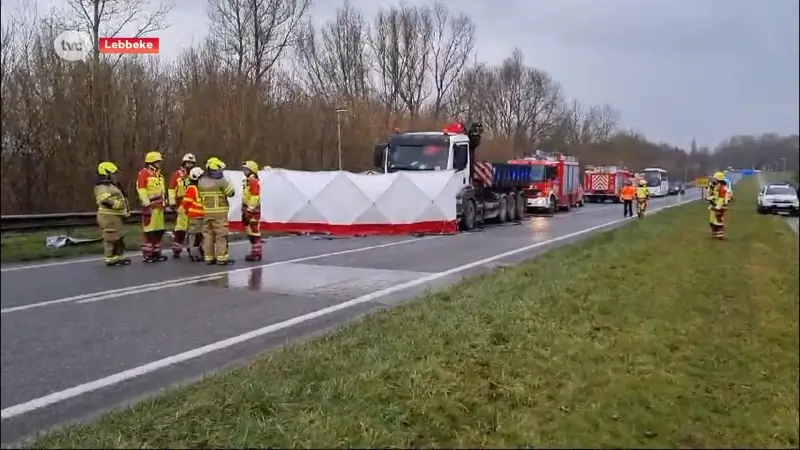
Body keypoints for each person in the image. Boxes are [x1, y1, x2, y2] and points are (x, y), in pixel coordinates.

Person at [198, 157, 236, 265]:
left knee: (208, 235)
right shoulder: (221, 182)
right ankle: (221, 258)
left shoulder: (201, 182)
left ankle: (209, 257)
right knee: (221, 235)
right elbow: (231, 193)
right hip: (220, 214)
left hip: (205, 213)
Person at [94, 162, 131, 266]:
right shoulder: (102, 186)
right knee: (111, 237)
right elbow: (103, 200)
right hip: (108, 216)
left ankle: (118, 257)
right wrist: (117, 205)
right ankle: (110, 258)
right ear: (106, 173)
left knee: (118, 237)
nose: (115, 176)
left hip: (115, 216)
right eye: (112, 173)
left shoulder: (111, 185)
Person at [136, 151, 168, 262]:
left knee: (159, 231)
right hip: (150, 207)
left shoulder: (159, 175)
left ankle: (156, 253)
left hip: (159, 207)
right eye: (157, 161)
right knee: (149, 232)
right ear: (151, 162)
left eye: (159, 161)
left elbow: (162, 191)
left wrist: (165, 202)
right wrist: (146, 203)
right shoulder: (144, 173)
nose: (159, 163)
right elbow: (141, 189)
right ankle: (148, 254)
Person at [168, 153, 197, 258]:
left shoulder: (195, 174)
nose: (189, 165)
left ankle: (192, 248)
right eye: (188, 162)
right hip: (181, 203)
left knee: (193, 228)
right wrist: (172, 202)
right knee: (181, 227)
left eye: (191, 163)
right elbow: (171, 188)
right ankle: (177, 248)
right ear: (184, 163)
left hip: (193, 204)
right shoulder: (177, 174)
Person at [181, 167, 206, 262]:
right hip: (195, 217)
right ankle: (194, 253)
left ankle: (198, 251)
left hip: (202, 216)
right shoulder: (192, 188)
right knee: (195, 236)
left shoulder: (200, 188)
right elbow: (186, 202)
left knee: (200, 236)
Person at [241, 160, 263, 261]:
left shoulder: (253, 181)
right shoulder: (248, 181)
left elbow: (255, 197)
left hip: (252, 210)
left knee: (254, 231)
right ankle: (255, 251)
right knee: (249, 230)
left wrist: (249, 210)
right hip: (247, 208)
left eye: (246, 169)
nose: (244, 171)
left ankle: (256, 253)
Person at [709, 172, 728, 240]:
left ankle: (720, 234)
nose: (714, 180)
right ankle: (715, 233)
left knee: (718, 220)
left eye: (715, 179)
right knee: (712, 221)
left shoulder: (722, 188)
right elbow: (714, 195)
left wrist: (718, 207)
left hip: (719, 206)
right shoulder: (717, 186)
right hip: (714, 205)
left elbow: (721, 198)